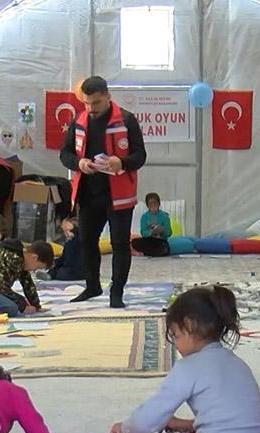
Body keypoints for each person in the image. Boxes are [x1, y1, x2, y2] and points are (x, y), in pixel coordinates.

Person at [111, 286, 260, 433]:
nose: (176, 345)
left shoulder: (189, 366)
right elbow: (234, 416)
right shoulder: (237, 363)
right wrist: (185, 424)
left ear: (189, 325)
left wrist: (124, 429)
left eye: (176, 336)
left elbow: (145, 421)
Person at [59, 76, 148, 308]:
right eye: (87, 103)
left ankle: (116, 292)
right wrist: (79, 164)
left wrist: (122, 162)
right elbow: (65, 154)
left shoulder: (127, 120)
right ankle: (92, 286)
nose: (91, 109)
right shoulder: (78, 121)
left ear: (108, 97)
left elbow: (140, 155)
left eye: (96, 103)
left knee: (120, 244)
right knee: (86, 241)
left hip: (119, 194)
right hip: (89, 193)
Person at [0, 238, 53, 317]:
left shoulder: (23, 259)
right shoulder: (11, 258)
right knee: (12, 309)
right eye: (37, 267)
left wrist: (36, 306)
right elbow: (4, 288)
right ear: (34, 257)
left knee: (23, 301)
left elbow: (28, 284)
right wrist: (22, 308)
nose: (34, 271)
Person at [131, 192, 172, 257]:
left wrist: (163, 230)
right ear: (147, 206)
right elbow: (143, 232)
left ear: (159, 204)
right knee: (134, 242)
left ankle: (145, 253)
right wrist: (151, 232)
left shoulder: (164, 216)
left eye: (155, 204)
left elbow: (169, 232)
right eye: (151, 205)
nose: (153, 207)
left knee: (165, 250)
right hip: (149, 240)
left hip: (161, 241)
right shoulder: (145, 216)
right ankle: (150, 252)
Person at [49, 216, 84, 281]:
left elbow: (79, 234)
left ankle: (51, 275)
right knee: (55, 269)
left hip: (77, 270)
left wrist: (74, 229)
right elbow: (64, 257)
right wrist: (55, 262)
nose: (66, 233)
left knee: (60, 273)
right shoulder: (68, 243)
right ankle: (50, 274)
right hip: (69, 268)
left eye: (69, 231)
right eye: (65, 231)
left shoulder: (79, 240)